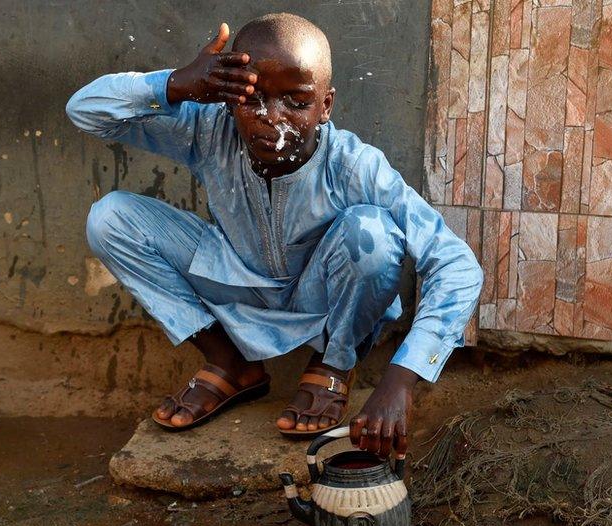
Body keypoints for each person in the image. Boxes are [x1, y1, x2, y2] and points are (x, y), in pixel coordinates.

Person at [66, 13, 483, 459]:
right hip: (235, 279)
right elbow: (85, 112)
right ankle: (230, 363)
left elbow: (455, 265)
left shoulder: (355, 166)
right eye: (253, 98)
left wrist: (401, 381)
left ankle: (334, 364)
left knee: (374, 236)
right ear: (227, 98)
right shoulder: (208, 130)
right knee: (110, 218)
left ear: (326, 105)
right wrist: (176, 85)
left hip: (320, 298)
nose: (271, 119)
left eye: (296, 103)